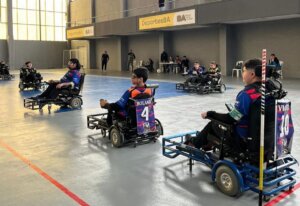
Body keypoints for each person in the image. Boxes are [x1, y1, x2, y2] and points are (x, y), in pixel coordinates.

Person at [184, 59, 274, 153]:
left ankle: (194, 143)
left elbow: (231, 119)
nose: (243, 74)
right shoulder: (269, 91)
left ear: (252, 74)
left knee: (214, 124)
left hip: (242, 139)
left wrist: (210, 114)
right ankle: (207, 142)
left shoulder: (246, 94)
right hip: (263, 140)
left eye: (244, 71)